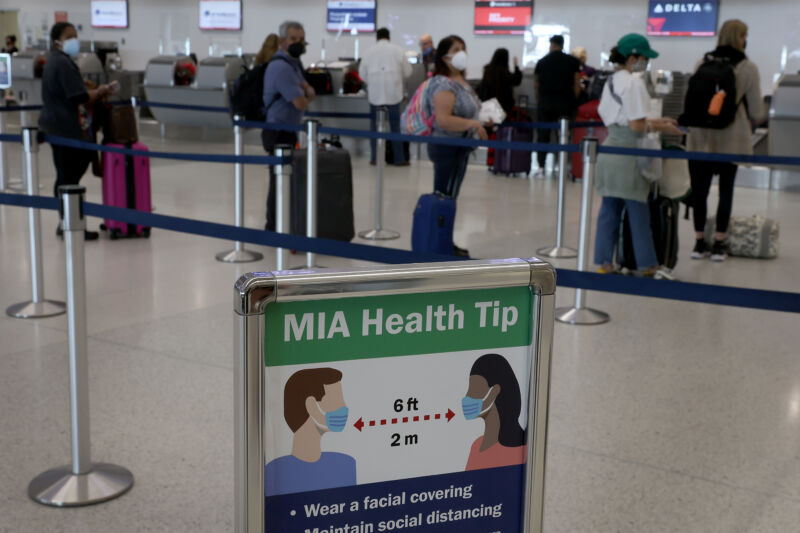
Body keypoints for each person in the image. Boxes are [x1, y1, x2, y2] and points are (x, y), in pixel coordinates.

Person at [593, 33, 683, 279]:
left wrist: (658, 121)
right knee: (638, 212)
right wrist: (665, 128)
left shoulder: (612, 80)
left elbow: (624, 119)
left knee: (609, 211)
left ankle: (604, 263)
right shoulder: (634, 83)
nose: (647, 63)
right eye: (645, 58)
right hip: (628, 154)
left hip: (610, 149)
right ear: (633, 58)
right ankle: (648, 266)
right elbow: (635, 126)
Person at [686, 20, 764, 262]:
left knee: (699, 191)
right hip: (731, 137)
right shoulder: (748, 68)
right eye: (744, 36)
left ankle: (699, 243)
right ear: (739, 38)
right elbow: (757, 111)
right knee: (725, 191)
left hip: (699, 137)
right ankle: (719, 244)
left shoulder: (702, 62)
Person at [39, 22, 115, 240]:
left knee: (66, 176)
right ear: (57, 41)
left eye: (75, 36)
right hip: (66, 129)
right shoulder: (62, 63)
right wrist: (100, 91)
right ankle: (70, 225)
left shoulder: (55, 61)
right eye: (69, 37)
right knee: (69, 177)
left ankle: (67, 223)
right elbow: (78, 96)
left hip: (58, 127)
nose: (74, 40)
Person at [428, 35, 487, 258]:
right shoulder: (443, 83)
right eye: (455, 49)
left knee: (450, 197)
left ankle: (444, 242)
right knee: (444, 198)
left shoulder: (461, 81)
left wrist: (481, 120)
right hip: (447, 147)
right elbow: (443, 119)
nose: (461, 52)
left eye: (463, 48)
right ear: (444, 56)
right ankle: (439, 246)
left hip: (459, 147)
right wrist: (473, 124)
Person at [265, 368, 356, 497]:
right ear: (312, 406)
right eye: (337, 400)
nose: (344, 407)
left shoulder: (345, 463)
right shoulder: (276, 472)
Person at [262, 20, 315, 231]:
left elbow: (307, 88)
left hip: (288, 130)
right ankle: (273, 226)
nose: (298, 44)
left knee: (285, 180)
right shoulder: (281, 67)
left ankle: (282, 223)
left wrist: (306, 92)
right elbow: (301, 101)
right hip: (278, 131)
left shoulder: (293, 65)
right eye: (293, 39)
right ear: (282, 41)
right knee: (278, 181)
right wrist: (306, 95)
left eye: (301, 40)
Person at [463, 354, 526, 471]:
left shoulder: (518, 451)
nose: (467, 396)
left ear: (494, 392)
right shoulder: (477, 445)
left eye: (474, 388)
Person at [359, 27, 412, 166]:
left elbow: (362, 74)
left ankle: (374, 158)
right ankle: (399, 159)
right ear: (389, 37)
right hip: (394, 95)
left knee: (374, 128)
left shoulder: (368, 52)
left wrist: (372, 82)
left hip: (375, 96)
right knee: (395, 128)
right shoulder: (398, 50)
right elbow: (408, 72)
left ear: (377, 37)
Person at [534, 35, 581, 176]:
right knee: (563, 136)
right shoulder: (572, 61)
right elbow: (577, 85)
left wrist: (540, 100)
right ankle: (562, 167)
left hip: (545, 103)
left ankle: (541, 168)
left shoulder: (542, 62)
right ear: (562, 45)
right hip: (565, 103)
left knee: (543, 136)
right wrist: (574, 100)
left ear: (552, 45)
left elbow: (536, 86)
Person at [476, 48, 522, 115]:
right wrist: (516, 66)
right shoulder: (505, 72)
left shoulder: (488, 70)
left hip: (488, 104)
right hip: (503, 106)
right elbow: (517, 80)